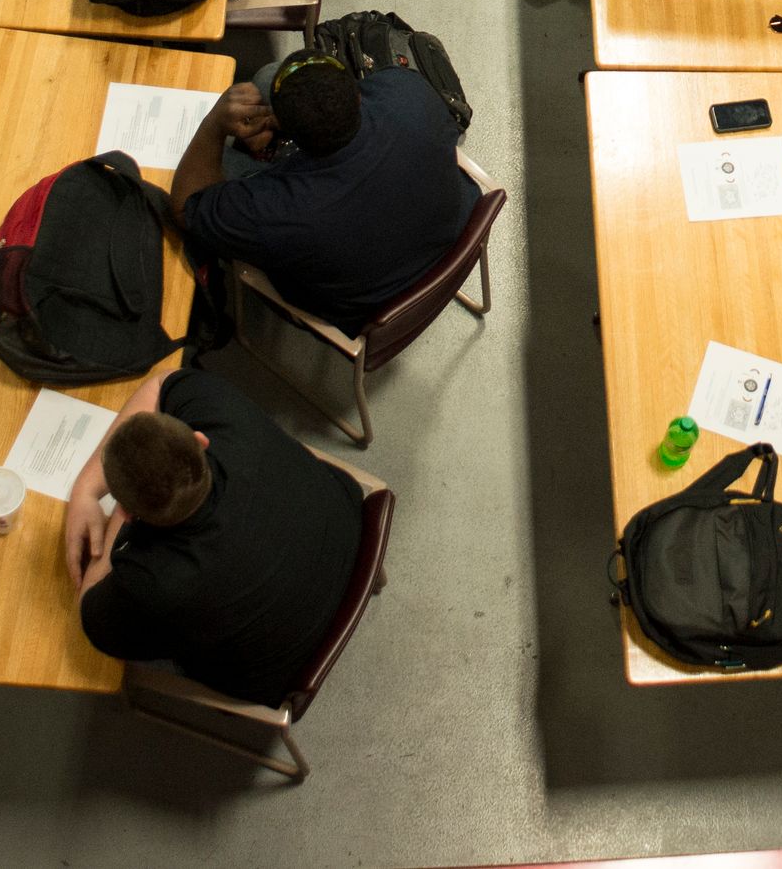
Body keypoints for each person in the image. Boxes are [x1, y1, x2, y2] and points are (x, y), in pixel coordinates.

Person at [66, 361, 364, 702]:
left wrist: (88, 489)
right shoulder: (223, 414)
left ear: (126, 512)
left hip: (284, 666)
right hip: (345, 524)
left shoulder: (156, 585)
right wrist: (90, 489)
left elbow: (90, 611)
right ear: (200, 439)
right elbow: (161, 383)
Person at [167, 48, 478, 335]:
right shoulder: (408, 92)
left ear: (291, 141)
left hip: (366, 306)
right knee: (268, 76)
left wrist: (214, 124)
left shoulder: (281, 213)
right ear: (356, 96)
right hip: (449, 234)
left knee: (222, 162)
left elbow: (184, 207)